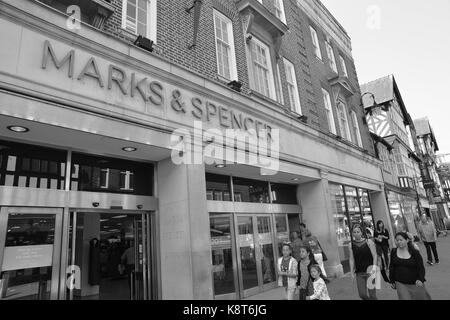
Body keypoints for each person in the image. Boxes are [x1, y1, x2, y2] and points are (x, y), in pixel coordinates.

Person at [389, 232, 431, 300]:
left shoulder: (415, 252)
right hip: (400, 283)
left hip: (415, 283)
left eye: (401, 240)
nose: (399, 242)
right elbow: (391, 267)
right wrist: (392, 280)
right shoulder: (393, 251)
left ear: (407, 240)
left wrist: (420, 279)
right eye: (397, 240)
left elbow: (421, 267)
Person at [349, 224, 378, 300]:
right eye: (354, 232)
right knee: (362, 294)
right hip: (359, 272)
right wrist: (351, 272)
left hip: (370, 271)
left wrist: (374, 268)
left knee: (372, 295)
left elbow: (375, 255)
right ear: (352, 233)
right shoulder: (351, 244)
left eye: (358, 232)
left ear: (361, 232)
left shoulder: (369, 242)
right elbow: (351, 259)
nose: (356, 233)